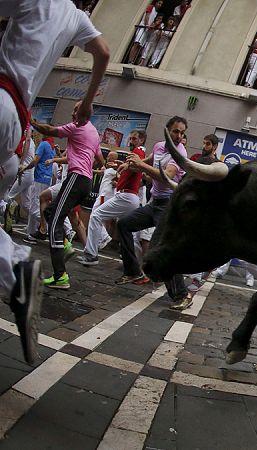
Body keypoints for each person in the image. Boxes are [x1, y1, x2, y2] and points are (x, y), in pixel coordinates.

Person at [0, 0, 109, 364]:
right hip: (16, 120)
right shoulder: (77, 17)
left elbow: (55, 133)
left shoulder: (76, 127)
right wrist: (89, 101)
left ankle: (50, 270)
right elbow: (104, 52)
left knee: (54, 216)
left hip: (4, 99)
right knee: (53, 209)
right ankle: (21, 269)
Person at [115, 116, 192, 310]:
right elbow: (149, 160)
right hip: (154, 203)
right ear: (167, 130)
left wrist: (141, 167)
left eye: (182, 133)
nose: (179, 136)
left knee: (163, 248)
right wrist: (130, 164)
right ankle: (133, 271)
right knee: (123, 224)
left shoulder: (179, 152)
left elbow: (168, 177)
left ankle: (182, 294)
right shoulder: (159, 146)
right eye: (176, 131)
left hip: (168, 206)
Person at [30, 101, 106, 290]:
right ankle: (64, 244)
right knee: (50, 210)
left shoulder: (77, 127)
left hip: (76, 178)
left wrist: (30, 120)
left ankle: (60, 276)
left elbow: (49, 129)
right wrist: (88, 164)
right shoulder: (94, 133)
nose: (72, 114)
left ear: (83, 115)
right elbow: (100, 159)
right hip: (84, 182)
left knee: (55, 220)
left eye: (75, 111)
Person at [78, 130, 147, 266]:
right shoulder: (137, 154)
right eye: (130, 139)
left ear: (142, 140)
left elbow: (135, 164)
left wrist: (124, 165)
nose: (131, 142)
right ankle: (135, 264)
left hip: (126, 196)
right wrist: (121, 165)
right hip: (129, 197)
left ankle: (91, 254)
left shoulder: (138, 152)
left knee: (96, 215)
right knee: (127, 229)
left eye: (134, 139)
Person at [127, 0, 162, 64]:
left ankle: (132, 61)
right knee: (136, 43)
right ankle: (130, 60)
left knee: (140, 46)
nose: (160, 5)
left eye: (161, 4)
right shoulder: (151, 7)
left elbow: (153, 22)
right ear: (156, 2)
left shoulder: (156, 13)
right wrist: (146, 25)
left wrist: (152, 26)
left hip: (147, 31)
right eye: (159, 3)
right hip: (143, 27)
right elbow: (147, 15)